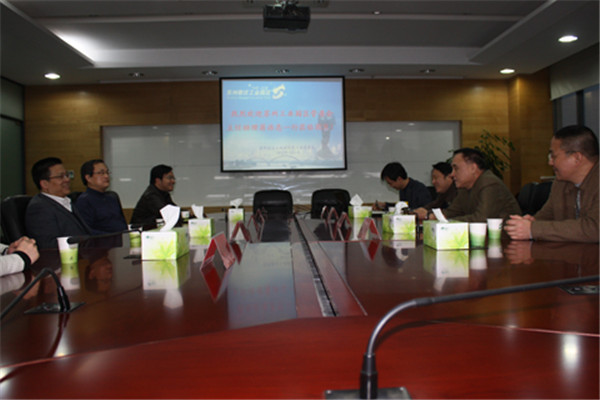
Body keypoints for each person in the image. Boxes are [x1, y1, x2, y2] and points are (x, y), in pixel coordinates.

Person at [504, 125, 599, 242]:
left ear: (577, 158)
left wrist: (533, 229)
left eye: (553, 156)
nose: (550, 162)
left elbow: (595, 229)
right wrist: (528, 223)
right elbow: (546, 216)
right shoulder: (561, 183)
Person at [431, 148, 521, 222]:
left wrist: (448, 222)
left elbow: (481, 219)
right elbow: (451, 212)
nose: (452, 174)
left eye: (456, 168)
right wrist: (431, 216)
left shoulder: (490, 183)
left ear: (473, 168)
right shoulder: (464, 188)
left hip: (505, 236)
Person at [25, 157, 92, 249]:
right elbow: (48, 245)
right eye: (61, 177)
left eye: (67, 175)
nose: (67, 180)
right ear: (44, 184)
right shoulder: (39, 208)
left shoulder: (66, 201)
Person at [75, 159, 127, 235]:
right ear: (88, 178)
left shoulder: (112, 197)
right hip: (102, 241)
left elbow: (122, 224)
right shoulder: (84, 201)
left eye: (107, 172)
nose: (106, 176)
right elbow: (87, 231)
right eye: (101, 173)